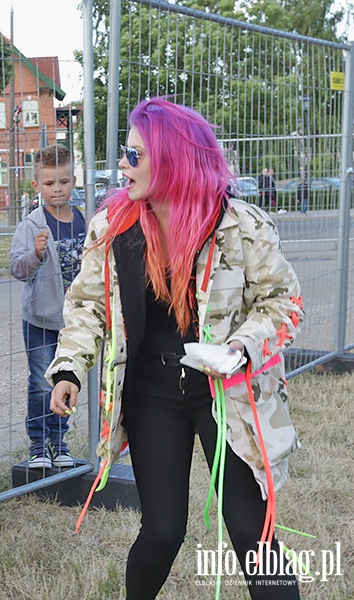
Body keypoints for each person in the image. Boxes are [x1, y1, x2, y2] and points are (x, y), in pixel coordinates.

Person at [48, 98, 303, 599]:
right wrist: (70, 369)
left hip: (227, 392)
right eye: (126, 153)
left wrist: (239, 345)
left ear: (172, 159)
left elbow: (284, 302)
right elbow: (86, 306)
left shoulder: (241, 226)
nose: (123, 164)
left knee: (253, 532)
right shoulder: (113, 226)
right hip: (152, 393)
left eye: (134, 154)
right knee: (163, 532)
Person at [9, 144, 85, 470]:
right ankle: (39, 445)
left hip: (73, 323)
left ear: (74, 180)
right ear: (37, 185)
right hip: (41, 319)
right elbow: (17, 269)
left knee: (66, 381)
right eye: (50, 183)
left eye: (64, 182)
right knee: (41, 383)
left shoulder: (84, 219)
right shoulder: (32, 225)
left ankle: (59, 441)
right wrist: (36, 255)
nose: (58, 190)